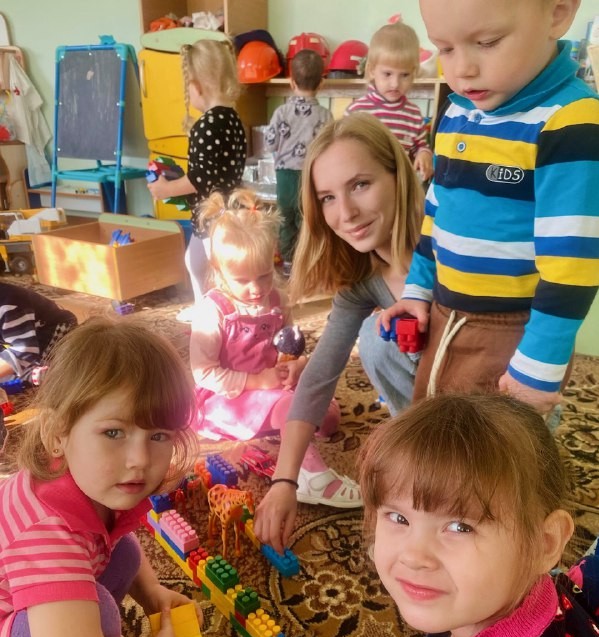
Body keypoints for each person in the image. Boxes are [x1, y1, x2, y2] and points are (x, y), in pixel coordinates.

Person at [340, 392, 599, 637]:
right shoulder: (550, 592)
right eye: (398, 517)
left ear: (545, 543)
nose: (414, 555)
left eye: (460, 526)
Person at [0, 317, 204, 637]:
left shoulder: (82, 478)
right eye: (114, 432)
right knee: (97, 609)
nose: (139, 460)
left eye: (158, 436)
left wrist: (151, 593)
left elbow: (117, 541)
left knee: (122, 548)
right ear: (57, 433)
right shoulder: (45, 532)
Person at [380, 0, 599, 416]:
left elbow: (572, 266)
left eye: (487, 42)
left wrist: (537, 369)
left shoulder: (571, 121)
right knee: (436, 428)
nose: (462, 69)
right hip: (446, 315)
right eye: (445, 49)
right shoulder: (458, 110)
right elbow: (437, 215)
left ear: (557, 13)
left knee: (492, 449)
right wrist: (417, 291)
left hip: (512, 332)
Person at [254, 114, 425, 552]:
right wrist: (285, 480)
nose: (345, 213)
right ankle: (425, 442)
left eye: (360, 185)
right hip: (435, 409)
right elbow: (319, 377)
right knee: (377, 335)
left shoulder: (454, 250)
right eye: (328, 197)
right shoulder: (364, 280)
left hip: (500, 405)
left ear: (398, 174)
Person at [190, 189, 359, 508]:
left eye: (265, 275)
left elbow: (290, 346)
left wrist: (297, 365)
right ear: (218, 269)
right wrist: (257, 381)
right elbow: (205, 374)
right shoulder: (213, 311)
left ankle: (290, 422)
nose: (256, 289)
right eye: (242, 280)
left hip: (274, 388)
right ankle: (310, 476)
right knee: (293, 408)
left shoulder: (278, 300)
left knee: (329, 416)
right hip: (228, 400)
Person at [147, 38, 247, 321]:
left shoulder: (207, 124)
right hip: (226, 207)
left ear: (198, 86)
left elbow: (200, 178)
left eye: (188, 87)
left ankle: (222, 315)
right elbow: (213, 171)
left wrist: (166, 188)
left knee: (217, 268)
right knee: (195, 261)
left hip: (212, 213)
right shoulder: (233, 119)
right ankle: (206, 308)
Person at [265, 49, 333, 274]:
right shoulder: (325, 115)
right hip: (312, 175)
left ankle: (288, 262)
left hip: (285, 174)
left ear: (292, 82)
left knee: (285, 218)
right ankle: (307, 261)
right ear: (321, 83)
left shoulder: (281, 112)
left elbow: (270, 143)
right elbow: (330, 149)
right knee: (307, 219)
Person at [345, 22, 433, 181]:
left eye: (404, 75)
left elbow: (420, 146)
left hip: (398, 186)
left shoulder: (413, 114)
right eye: (387, 74)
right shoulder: (356, 112)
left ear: (414, 72)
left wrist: (424, 154)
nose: (395, 84)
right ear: (372, 70)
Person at [0, 282, 77, 383]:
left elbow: (22, 353)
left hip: (55, 330)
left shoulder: (9, 304)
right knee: (10, 372)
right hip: (22, 336)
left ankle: (46, 376)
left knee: (25, 370)